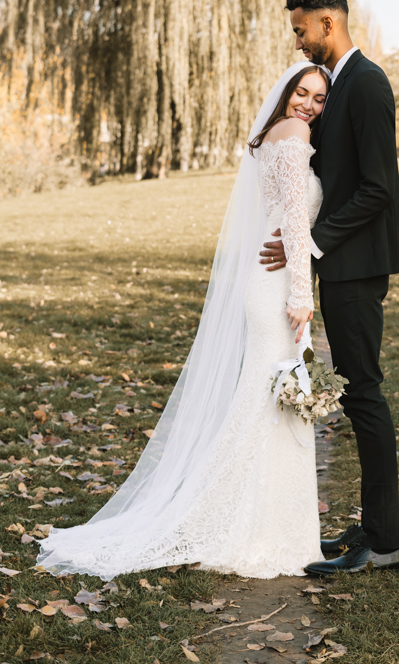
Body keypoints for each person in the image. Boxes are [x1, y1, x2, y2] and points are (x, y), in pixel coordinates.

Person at [37, 62, 329, 580]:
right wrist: (303, 297)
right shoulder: (295, 132)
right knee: (273, 399)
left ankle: (262, 520)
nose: (308, 104)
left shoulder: (276, 134)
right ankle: (253, 526)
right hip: (278, 290)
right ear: (286, 94)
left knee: (270, 399)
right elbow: (293, 224)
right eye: (301, 93)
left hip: (272, 281)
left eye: (318, 99)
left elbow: (287, 226)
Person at [260, 0, 399, 575]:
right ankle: (369, 529)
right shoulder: (337, 85)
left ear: (327, 23)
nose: (298, 42)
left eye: (301, 30)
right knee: (357, 394)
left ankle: (384, 542)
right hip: (340, 264)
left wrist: (312, 247)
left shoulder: (368, 83)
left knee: (365, 395)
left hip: (357, 265)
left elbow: (379, 188)